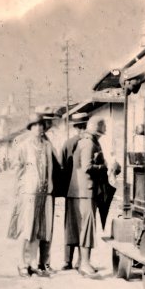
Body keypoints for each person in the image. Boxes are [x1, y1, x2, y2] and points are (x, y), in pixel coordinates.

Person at [7, 112, 56, 278]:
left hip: (44, 191)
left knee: (40, 228)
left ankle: (33, 263)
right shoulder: (24, 146)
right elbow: (17, 169)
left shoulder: (47, 146)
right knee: (27, 228)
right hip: (28, 191)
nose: (38, 128)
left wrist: (49, 185)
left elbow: (51, 167)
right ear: (30, 128)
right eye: (35, 125)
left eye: (41, 125)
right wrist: (19, 190)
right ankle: (22, 263)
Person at [69, 115, 108, 278]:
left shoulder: (85, 141)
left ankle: (81, 261)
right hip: (86, 191)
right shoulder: (89, 143)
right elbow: (87, 167)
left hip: (82, 191)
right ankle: (84, 263)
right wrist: (104, 167)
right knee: (86, 227)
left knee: (82, 227)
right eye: (104, 126)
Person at [60, 112, 90, 270]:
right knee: (82, 226)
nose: (82, 130)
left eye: (83, 127)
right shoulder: (88, 143)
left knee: (72, 226)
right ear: (78, 128)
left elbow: (62, 168)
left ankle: (70, 261)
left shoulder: (68, 143)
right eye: (81, 127)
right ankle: (77, 261)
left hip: (72, 191)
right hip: (80, 191)